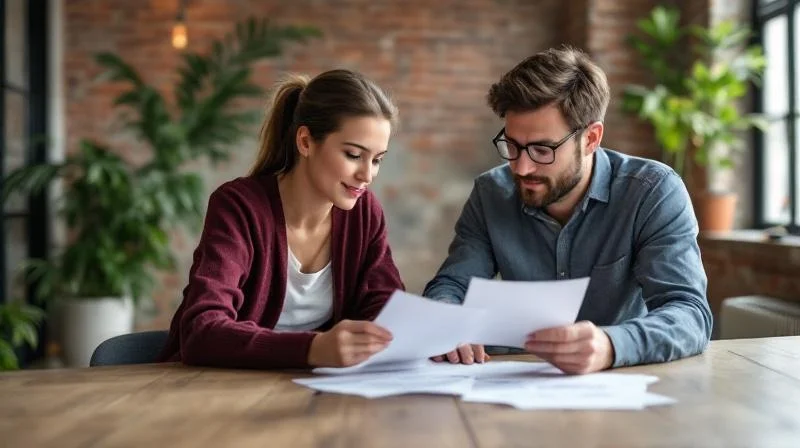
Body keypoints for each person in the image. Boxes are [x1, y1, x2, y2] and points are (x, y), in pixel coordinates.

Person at [424, 46, 712, 374]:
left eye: (542, 149)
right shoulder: (491, 193)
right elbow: (452, 285)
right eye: (513, 145)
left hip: (622, 377)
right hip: (511, 377)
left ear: (591, 138)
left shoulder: (652, 192)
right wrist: (447, 319)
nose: (521, 167)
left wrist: (611, 345)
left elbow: (689, 314)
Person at [158, 69, 404, 369]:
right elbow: (202, 331)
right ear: (305, 142)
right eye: (353, 155)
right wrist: (313, 348)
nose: (367, 175)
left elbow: (387, 309)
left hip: (311, 387)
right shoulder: (239, 207)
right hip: (215, 387)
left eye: (377, 159)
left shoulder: (364, 213)